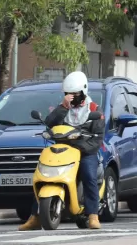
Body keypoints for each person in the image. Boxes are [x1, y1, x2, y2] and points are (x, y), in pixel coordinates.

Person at [20, 71, 104, 231]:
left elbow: (98, 138)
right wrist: (64, 106)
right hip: (62, 149)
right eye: (68, 94)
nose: (72, 97)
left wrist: (80, 146)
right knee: (43, 174)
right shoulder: (62, 107)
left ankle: (93, 214)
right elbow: (50, 123)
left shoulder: (94, 109)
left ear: (84, 91)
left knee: (88, 175)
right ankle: (35, 217)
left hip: (85, 151)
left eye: (75, 94)